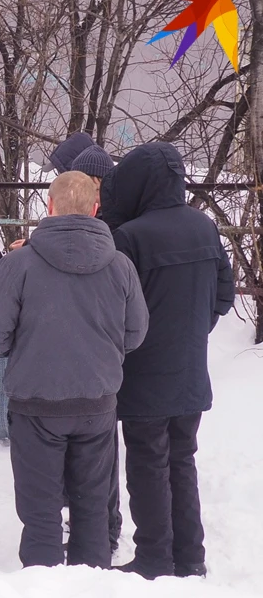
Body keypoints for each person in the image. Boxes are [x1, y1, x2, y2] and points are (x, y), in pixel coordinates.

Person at [0, 172, 149, 569]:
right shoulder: (120, 266)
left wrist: (25, 348)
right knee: (92, 513)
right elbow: (135, 333)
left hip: (36, 404)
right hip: (97, 404)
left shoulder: (19, 264)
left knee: (40, 514)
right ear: (95, 209)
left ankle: (42, 582)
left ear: (48, 206)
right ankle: (90, 583)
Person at [100, 143, 235, 580]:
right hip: (190, 370)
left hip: (142, 375)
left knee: (147, 465)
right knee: (182, 460)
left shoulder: (130, 236)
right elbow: (224, 294)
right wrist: (195, 331)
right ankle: (190, 556)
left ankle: (155, 557)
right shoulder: (205, 227)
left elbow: (113, 308)